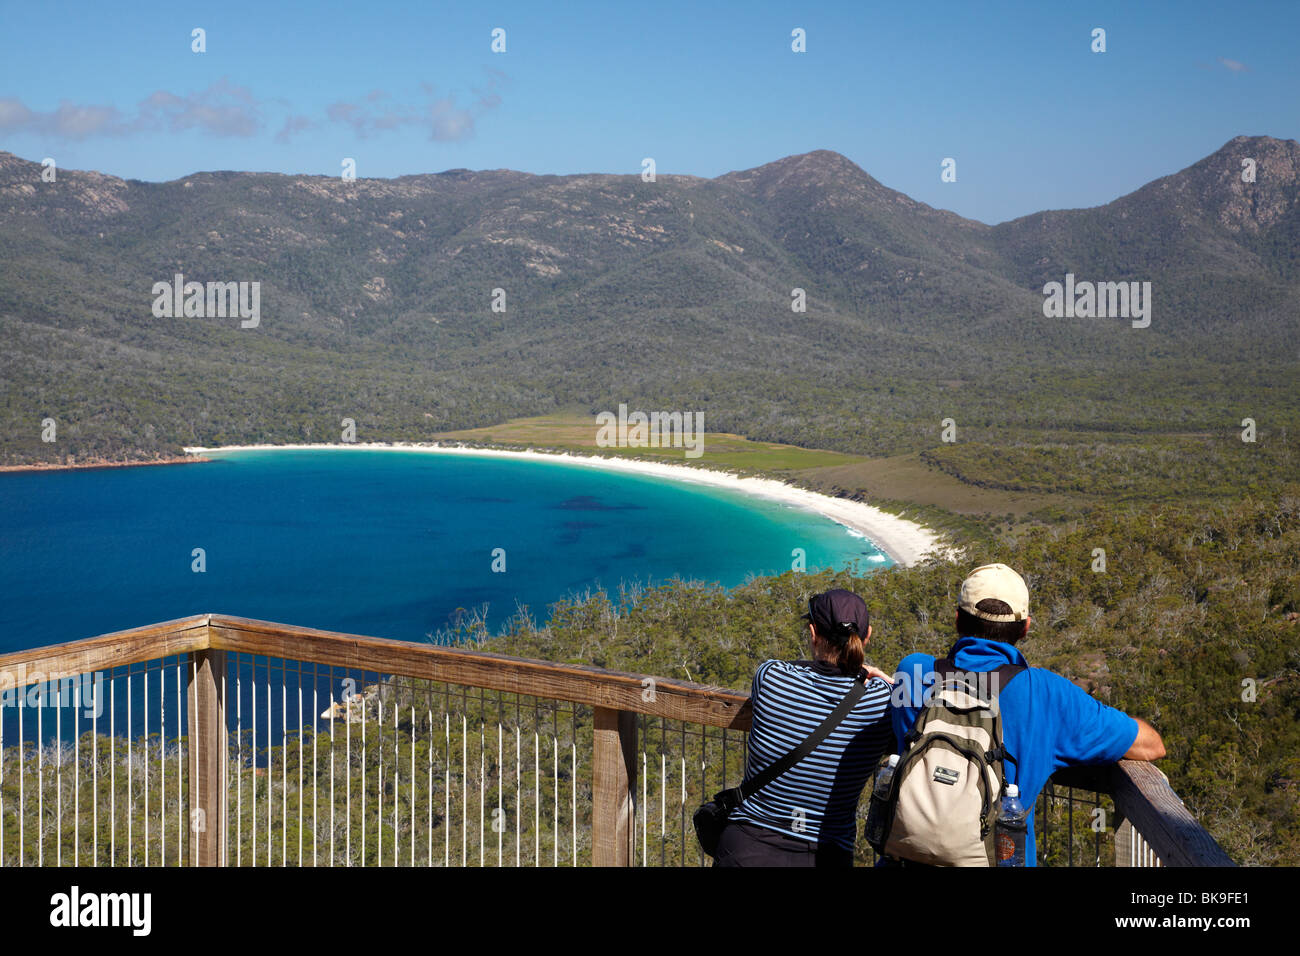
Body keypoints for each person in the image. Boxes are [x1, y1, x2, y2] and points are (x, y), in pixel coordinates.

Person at [887, 563, 1165, 867]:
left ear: (957, 620)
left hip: (904, 856)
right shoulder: (1045, 693)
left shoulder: (912, 671)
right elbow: (1151, 746)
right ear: (1025, 628)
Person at [714, 588, 895, 867]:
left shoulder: (771, 677)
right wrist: (887, 681)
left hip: (745, 848)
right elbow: (914, 709)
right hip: (824, 854)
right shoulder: (882, 702)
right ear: (866, 635)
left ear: (812, 633)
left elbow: (799, 669)